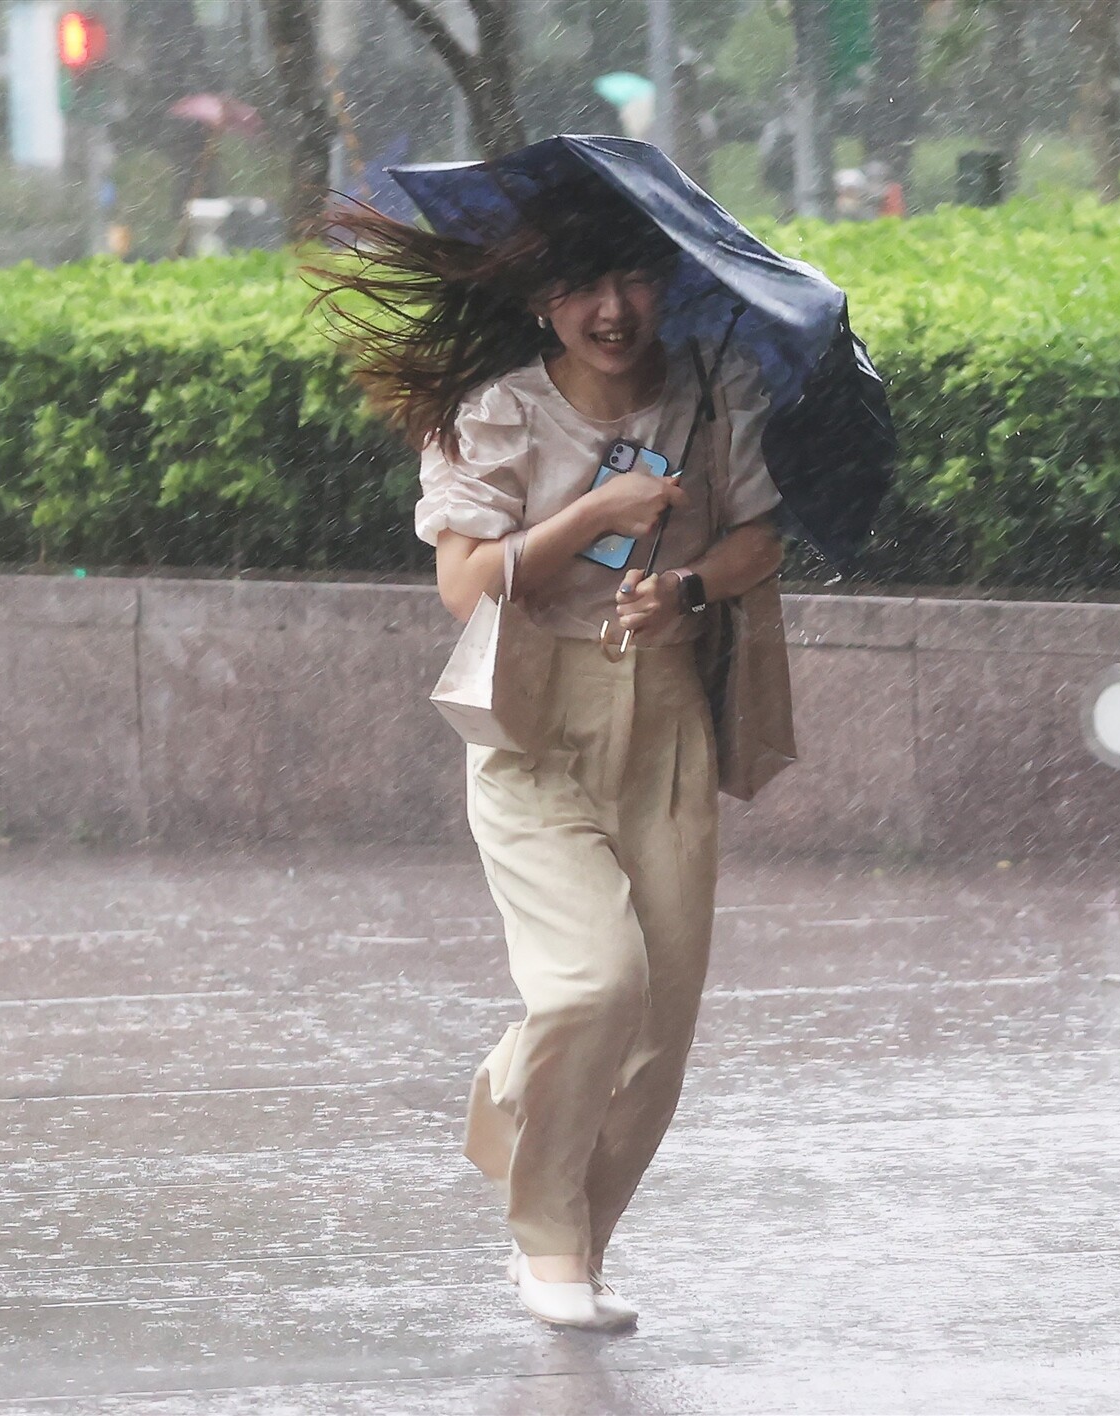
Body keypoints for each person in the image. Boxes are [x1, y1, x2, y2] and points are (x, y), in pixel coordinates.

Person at [310, 177, 784, 1331]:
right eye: (579, 285)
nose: (610, 308)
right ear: (538, 299)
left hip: (665, 714)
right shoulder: (501, 412)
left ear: (667, 283)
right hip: (532, 724)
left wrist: (683, 587)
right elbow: (465, 584)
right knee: (594, 985)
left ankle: (577, 1246)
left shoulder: (715, 389)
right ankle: (543, 1227)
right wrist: (593, 513)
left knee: (656, 1034)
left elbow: (758, 542)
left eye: (631, 278)